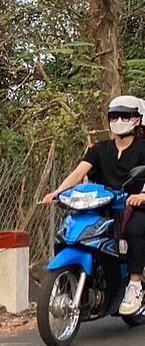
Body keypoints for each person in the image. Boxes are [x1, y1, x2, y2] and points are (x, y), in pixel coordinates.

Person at [42, 94, 145, 314]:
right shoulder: (99, 149)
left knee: (135, 228)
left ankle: (135, 284)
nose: (119, 121)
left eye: (125, 116)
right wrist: (57, 192)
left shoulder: (143, 148)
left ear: (137, 120)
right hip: (102, 205)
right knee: (72, 229)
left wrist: (142, 195)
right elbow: (78, 173)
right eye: (114, 116)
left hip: (134, 206)